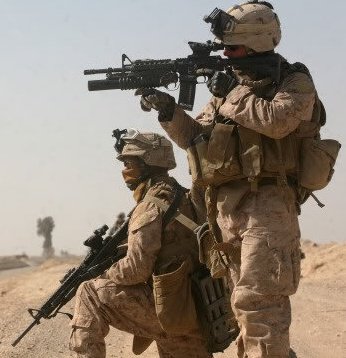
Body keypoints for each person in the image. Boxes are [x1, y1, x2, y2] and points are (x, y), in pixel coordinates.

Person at [135, 2, 321, 357]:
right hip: (227, 211)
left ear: (257, 44)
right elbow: (196, 138)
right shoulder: (232, 88)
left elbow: (278, 121)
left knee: (260, 306)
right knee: (240, 309)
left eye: (232, 48)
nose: (225, 55)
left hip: (268, 207)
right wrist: (168, 110)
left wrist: (231, 91)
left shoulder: (293, 81)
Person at [69, 129, 212, 358]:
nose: (125, 171)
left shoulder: (150, 205)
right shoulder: (183, 196)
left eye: (129, 163)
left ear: (148, 164)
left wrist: (104, 274)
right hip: (199, 307)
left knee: (89, 292)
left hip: (174, 310)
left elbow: (136, 270)